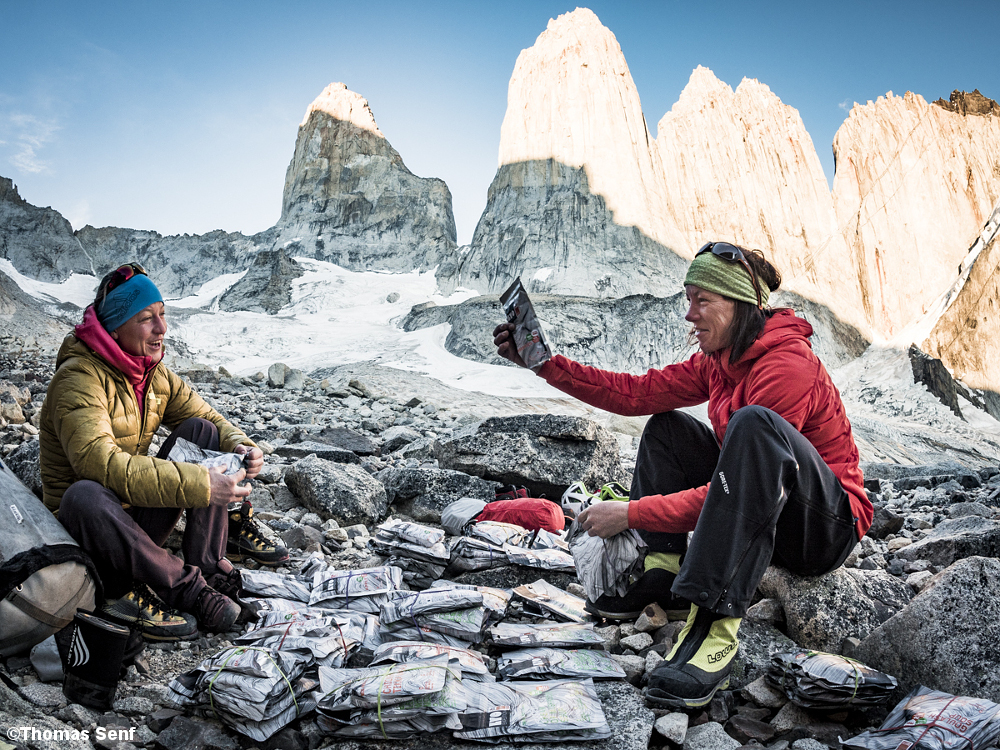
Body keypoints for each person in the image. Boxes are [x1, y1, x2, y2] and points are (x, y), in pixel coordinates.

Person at [493, 242, 872, 708]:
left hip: (825, 529)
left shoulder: (787, 366)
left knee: (753, 426)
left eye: (702, 300)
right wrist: (545, 366)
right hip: (768, 505)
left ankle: (714, 627)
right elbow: (635, 394)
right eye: (687, 299)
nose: (689, 314)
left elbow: (741, 487)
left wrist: (631, 513)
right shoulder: (719, 359)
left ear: (739, 306)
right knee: (666, 428)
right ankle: (663, 570)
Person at [39, 263, 286, 641]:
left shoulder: (150, 372)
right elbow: (100, 465)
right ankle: (182, 589)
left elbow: (205, 416)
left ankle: (209, 568)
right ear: (115, 327)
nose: (161, 329)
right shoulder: (78, 379)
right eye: (146, 319)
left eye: (162, 315)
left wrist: (241, 445)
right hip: (91, 530)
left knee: (201, 433)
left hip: (133, 517)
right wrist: (199, 484)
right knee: (83, 494)